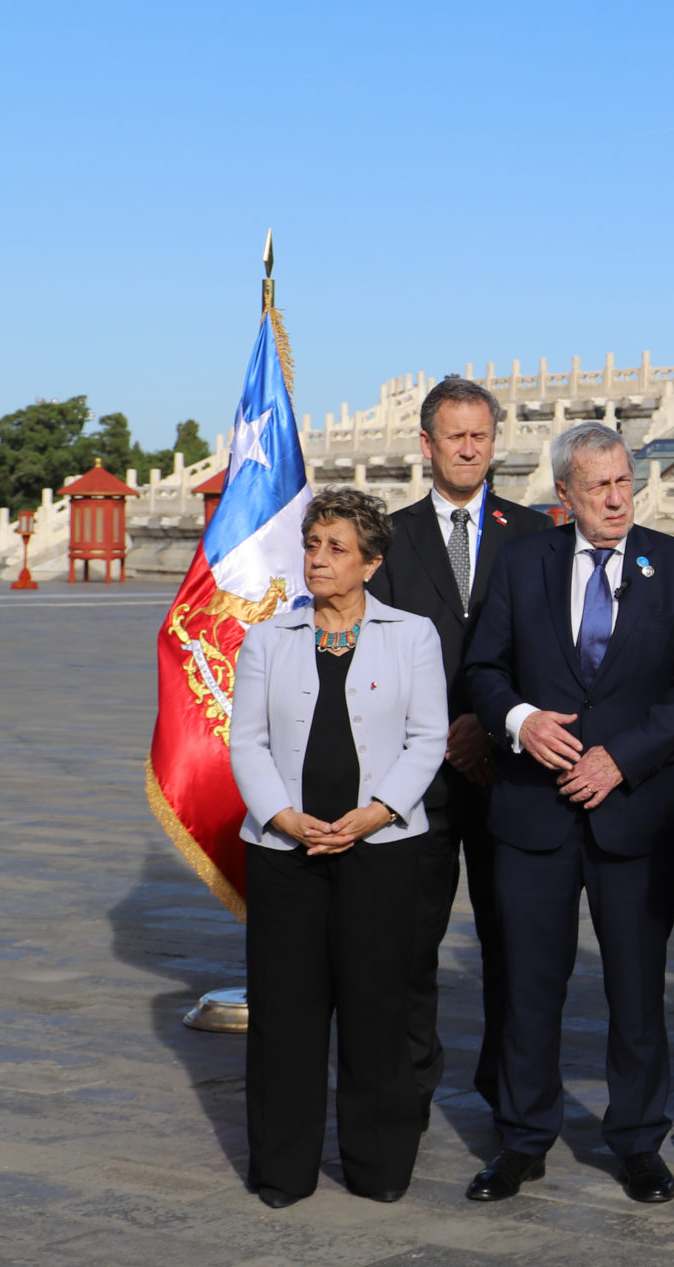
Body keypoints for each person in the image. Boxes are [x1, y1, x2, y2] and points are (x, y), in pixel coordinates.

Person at [459, 422, 674, 1207]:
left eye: (624, 482)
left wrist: (624, 757)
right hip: (531, 812)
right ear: (564, 494)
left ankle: (638, 1138)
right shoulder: (519, 562)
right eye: (600, 486)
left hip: (634, 813)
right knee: (528, 985)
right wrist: (519, 721)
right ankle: (521, 1138)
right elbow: (483, 667)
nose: (617, 498)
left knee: (637, 987)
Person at [228, 488, 447, 1208]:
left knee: (376, 1009)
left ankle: (378, 1162)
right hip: (286, 851)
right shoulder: (267, 637)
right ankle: (282, 1169)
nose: (318, 559)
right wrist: (284, 816)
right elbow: (248, 741)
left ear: (371, 562)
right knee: (286, 1014)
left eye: (336, 548)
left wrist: (376, 813)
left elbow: (428, 739)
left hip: (381, 849)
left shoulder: (412, 635)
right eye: (313, 544)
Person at [366, 376, 549, 1122]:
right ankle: (408, 1091)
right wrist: (444, 729)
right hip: (420, 776)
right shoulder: (392, 538)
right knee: (412, 944)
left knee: (514, 945)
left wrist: (488, 722)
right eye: (455, 435)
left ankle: (510, 1094)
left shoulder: (535, 534)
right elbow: (376, 654)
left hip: (512, 771)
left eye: (480, 434)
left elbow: (553, 652)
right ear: (427, 445)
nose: (469, 447)